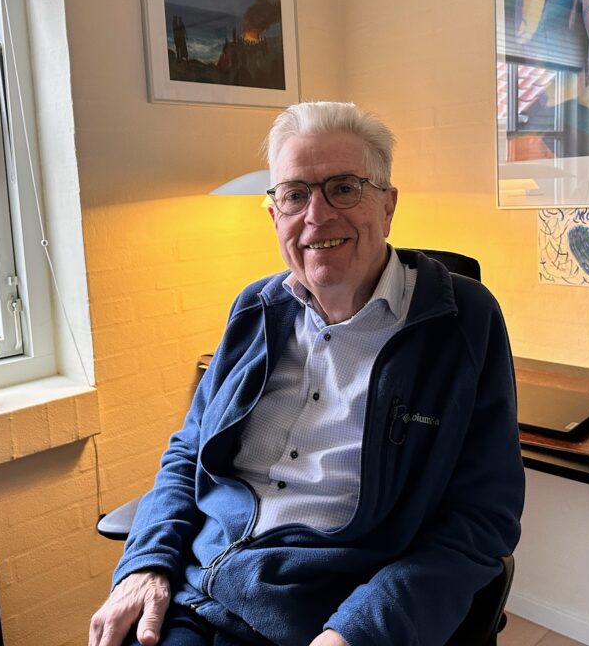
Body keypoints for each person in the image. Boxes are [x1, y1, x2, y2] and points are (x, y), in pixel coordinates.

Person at [89, 102, 525, 646]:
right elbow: (188, 451)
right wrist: (146, 562)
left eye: (343, 188)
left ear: (387, 204)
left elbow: (481, 519)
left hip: (327, 615)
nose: (317, 216)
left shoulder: (462, 320)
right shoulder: (255, 309)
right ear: (275, 216)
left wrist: (358, 632)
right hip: (194, 594)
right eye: (295, 194)